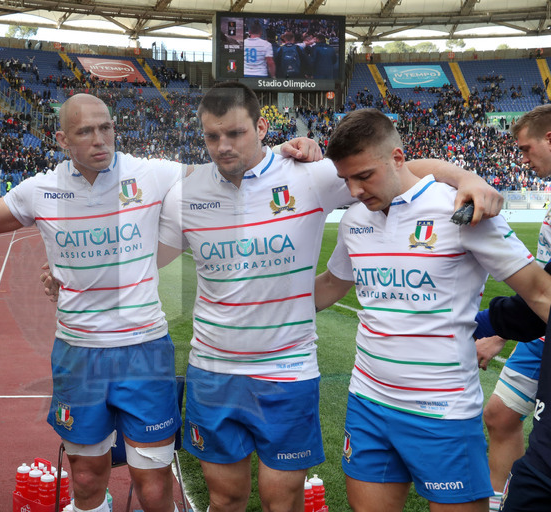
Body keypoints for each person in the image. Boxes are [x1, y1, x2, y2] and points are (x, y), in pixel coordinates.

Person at [0, 92, 325, 512]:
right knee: (86, 479)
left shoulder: (152, 172)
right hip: (78, 354)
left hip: (144, 352)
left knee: (151, 484)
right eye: (86, 131)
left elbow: (231, 169)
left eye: (106, 127)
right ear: (61, 138)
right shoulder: (40, 190)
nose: (99, 139)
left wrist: (291, 151)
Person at [155, 85, 506, 512]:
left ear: (261, 127)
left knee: (281, 501)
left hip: (288, 369)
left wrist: (468, 178)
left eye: (236, 133)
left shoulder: (309, 176)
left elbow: (400, 168)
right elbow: (148, 259)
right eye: (213, 136)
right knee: (224, 498)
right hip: (212, 368)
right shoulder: (186, 194)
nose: (224, 146)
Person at [312, 108, 551, 512]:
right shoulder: (355, 220)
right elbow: (333, 285)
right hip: (367, 401)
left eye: (364, 176)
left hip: (442, 412)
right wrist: (257, 301)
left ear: (399, 158)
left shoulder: (460, 209)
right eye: (346, 180)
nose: (353, 191)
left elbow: (541, 294)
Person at [474, 103, 551, 510]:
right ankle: (497, 502)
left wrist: (493, 330)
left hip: (537, 322)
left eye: (525, 149)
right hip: (539, 327)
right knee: (499, 416)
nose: (522, 160)